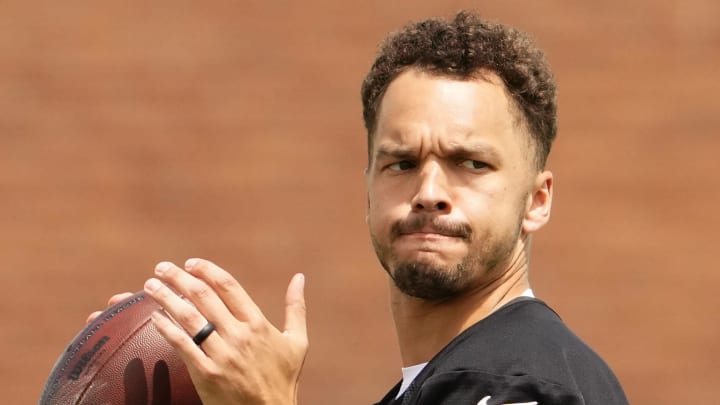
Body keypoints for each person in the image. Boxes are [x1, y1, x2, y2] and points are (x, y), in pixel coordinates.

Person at [89, 10, 629, 405]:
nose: (429, 190)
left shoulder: (520, 383)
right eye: (401, 163)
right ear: (368, 191)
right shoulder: (435, 386)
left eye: (471, 163)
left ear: (537, 201)